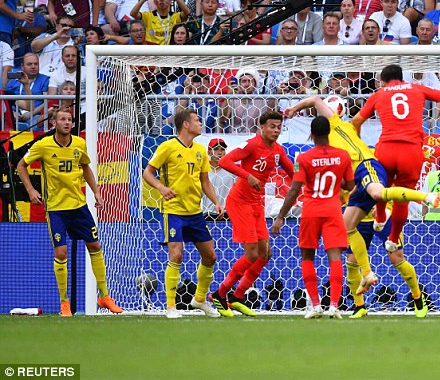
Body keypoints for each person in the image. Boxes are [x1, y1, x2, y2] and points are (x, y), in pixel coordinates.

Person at [284, 95, 440, 318]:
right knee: (349, 249)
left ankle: (418, 299)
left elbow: (316, 101)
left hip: (369, 175)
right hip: (359, 206)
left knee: (396, 257)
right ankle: (360, 305)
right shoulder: (334, 144)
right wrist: (294, 107)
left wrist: (294, 108)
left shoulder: (339, 131)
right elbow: (316, 101)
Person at [353, 64, 440, 248]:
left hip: (386, 148)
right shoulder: (416, 88)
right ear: (403, 79)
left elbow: (356, 121)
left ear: (382, 81)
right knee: (402, 198)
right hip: (411, 151)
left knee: (382, 188)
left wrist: (360, 147)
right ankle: (394, 239)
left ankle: (380, 215)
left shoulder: (378, 95)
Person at [15, 108, 123, 317]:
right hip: (56, 209)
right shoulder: (43, 145)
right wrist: (30, 190)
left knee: (95, 245)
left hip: (78, 206)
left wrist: (97, 192)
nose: (66, 122)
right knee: (61, 253)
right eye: (62, 119)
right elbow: (21, 165)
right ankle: (64, 303)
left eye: (69, 120)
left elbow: (86, 167)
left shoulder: (79, 144)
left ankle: (105, 296)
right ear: (54, 123)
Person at [207, 110, 294, 316]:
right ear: (262, 127)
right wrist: (248, 176)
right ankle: (219, 294)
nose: (276, 130)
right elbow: (225, 161)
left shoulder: (278, 151)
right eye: (272, 126)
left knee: (265, 254)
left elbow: (294, 173)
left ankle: (237, 297)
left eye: (279, 127)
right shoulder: (251, 144)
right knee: (252, 253)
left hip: (256, 203)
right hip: (239, 202)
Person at [143, 109, 224, 319]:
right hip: (174, 211)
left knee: (210, 256)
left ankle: (199, 299)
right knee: (176, 255)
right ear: (185, 125)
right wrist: (161, 188)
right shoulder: (167, 147)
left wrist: (216, 202)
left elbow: (205, 180)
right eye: (197, 120)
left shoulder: (200, 150)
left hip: (195, 212)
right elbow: (147, 173)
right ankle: (170, 306)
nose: (200, 123)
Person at [271, 116, 353, 319]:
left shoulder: (303, 159)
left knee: (308, 257)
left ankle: (316, 305)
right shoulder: (343, 156)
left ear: (312, 135)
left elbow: (294, 189)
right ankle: (334, 305)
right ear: (329, 133)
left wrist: (281, 216)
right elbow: (350, 185)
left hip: (311, 212)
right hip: (333, 210)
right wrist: (335, 182)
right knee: (335, 258)